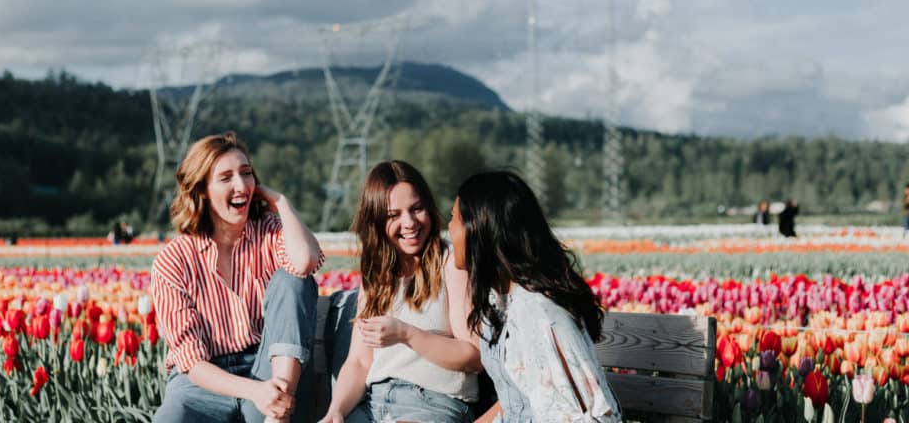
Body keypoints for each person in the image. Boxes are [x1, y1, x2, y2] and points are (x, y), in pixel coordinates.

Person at [151, 132, 324, 423]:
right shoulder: (174, 260)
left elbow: (305, 262)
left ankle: (277, 414)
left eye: (246, 173)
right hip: (203, 384)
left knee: (292, 278)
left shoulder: (267, 232)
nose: (241, 185)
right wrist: (255, 392)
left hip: (268, 367)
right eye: (226, 177)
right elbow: (192, 362)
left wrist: (280, 201)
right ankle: (273, 403)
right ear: (202, 189)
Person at [449, 171, 621, 422]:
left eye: (453, 219)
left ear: (479, 227)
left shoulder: (538, 314)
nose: (449, 228)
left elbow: (575, 416)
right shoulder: (501, 301)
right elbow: (516, 400)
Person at [320, 161, 481, 423]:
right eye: (393, 215)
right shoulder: (377, 275)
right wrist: (335, 411)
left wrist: (407, 334)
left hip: (432, 403)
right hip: (373, 404)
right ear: (376, 221)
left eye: (416, 209)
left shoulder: (450, 261)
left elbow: (473, 356)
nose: (409, 223)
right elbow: (359, 363)